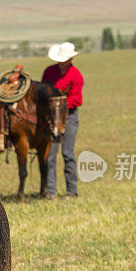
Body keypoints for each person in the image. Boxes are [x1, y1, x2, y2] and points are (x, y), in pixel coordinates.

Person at [41, 42, 84, 198]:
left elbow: (76, 100)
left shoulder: (76, 76)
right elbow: (43, 91)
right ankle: (50, 192)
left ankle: (72, 192)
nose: (61, 61)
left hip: (69, 116)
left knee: (68, 154)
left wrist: (60, 104)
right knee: (50, 155)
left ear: (70, 59)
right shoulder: (49, 72)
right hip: (51, 118)